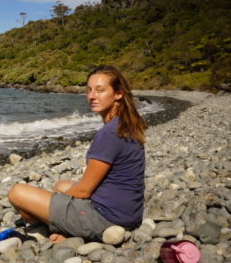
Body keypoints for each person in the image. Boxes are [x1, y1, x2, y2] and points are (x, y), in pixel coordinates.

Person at [8, 65, 147, 243]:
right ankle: (65, 224)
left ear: (118, 93)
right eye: (89, 90)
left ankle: (61, 227)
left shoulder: (110, 134)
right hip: (128, 213)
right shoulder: (124, 124)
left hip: (106, 218)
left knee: (17, 192)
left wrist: (62, 206)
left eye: (100, 90)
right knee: (60, 185)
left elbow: (83, 190)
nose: (92, 96)